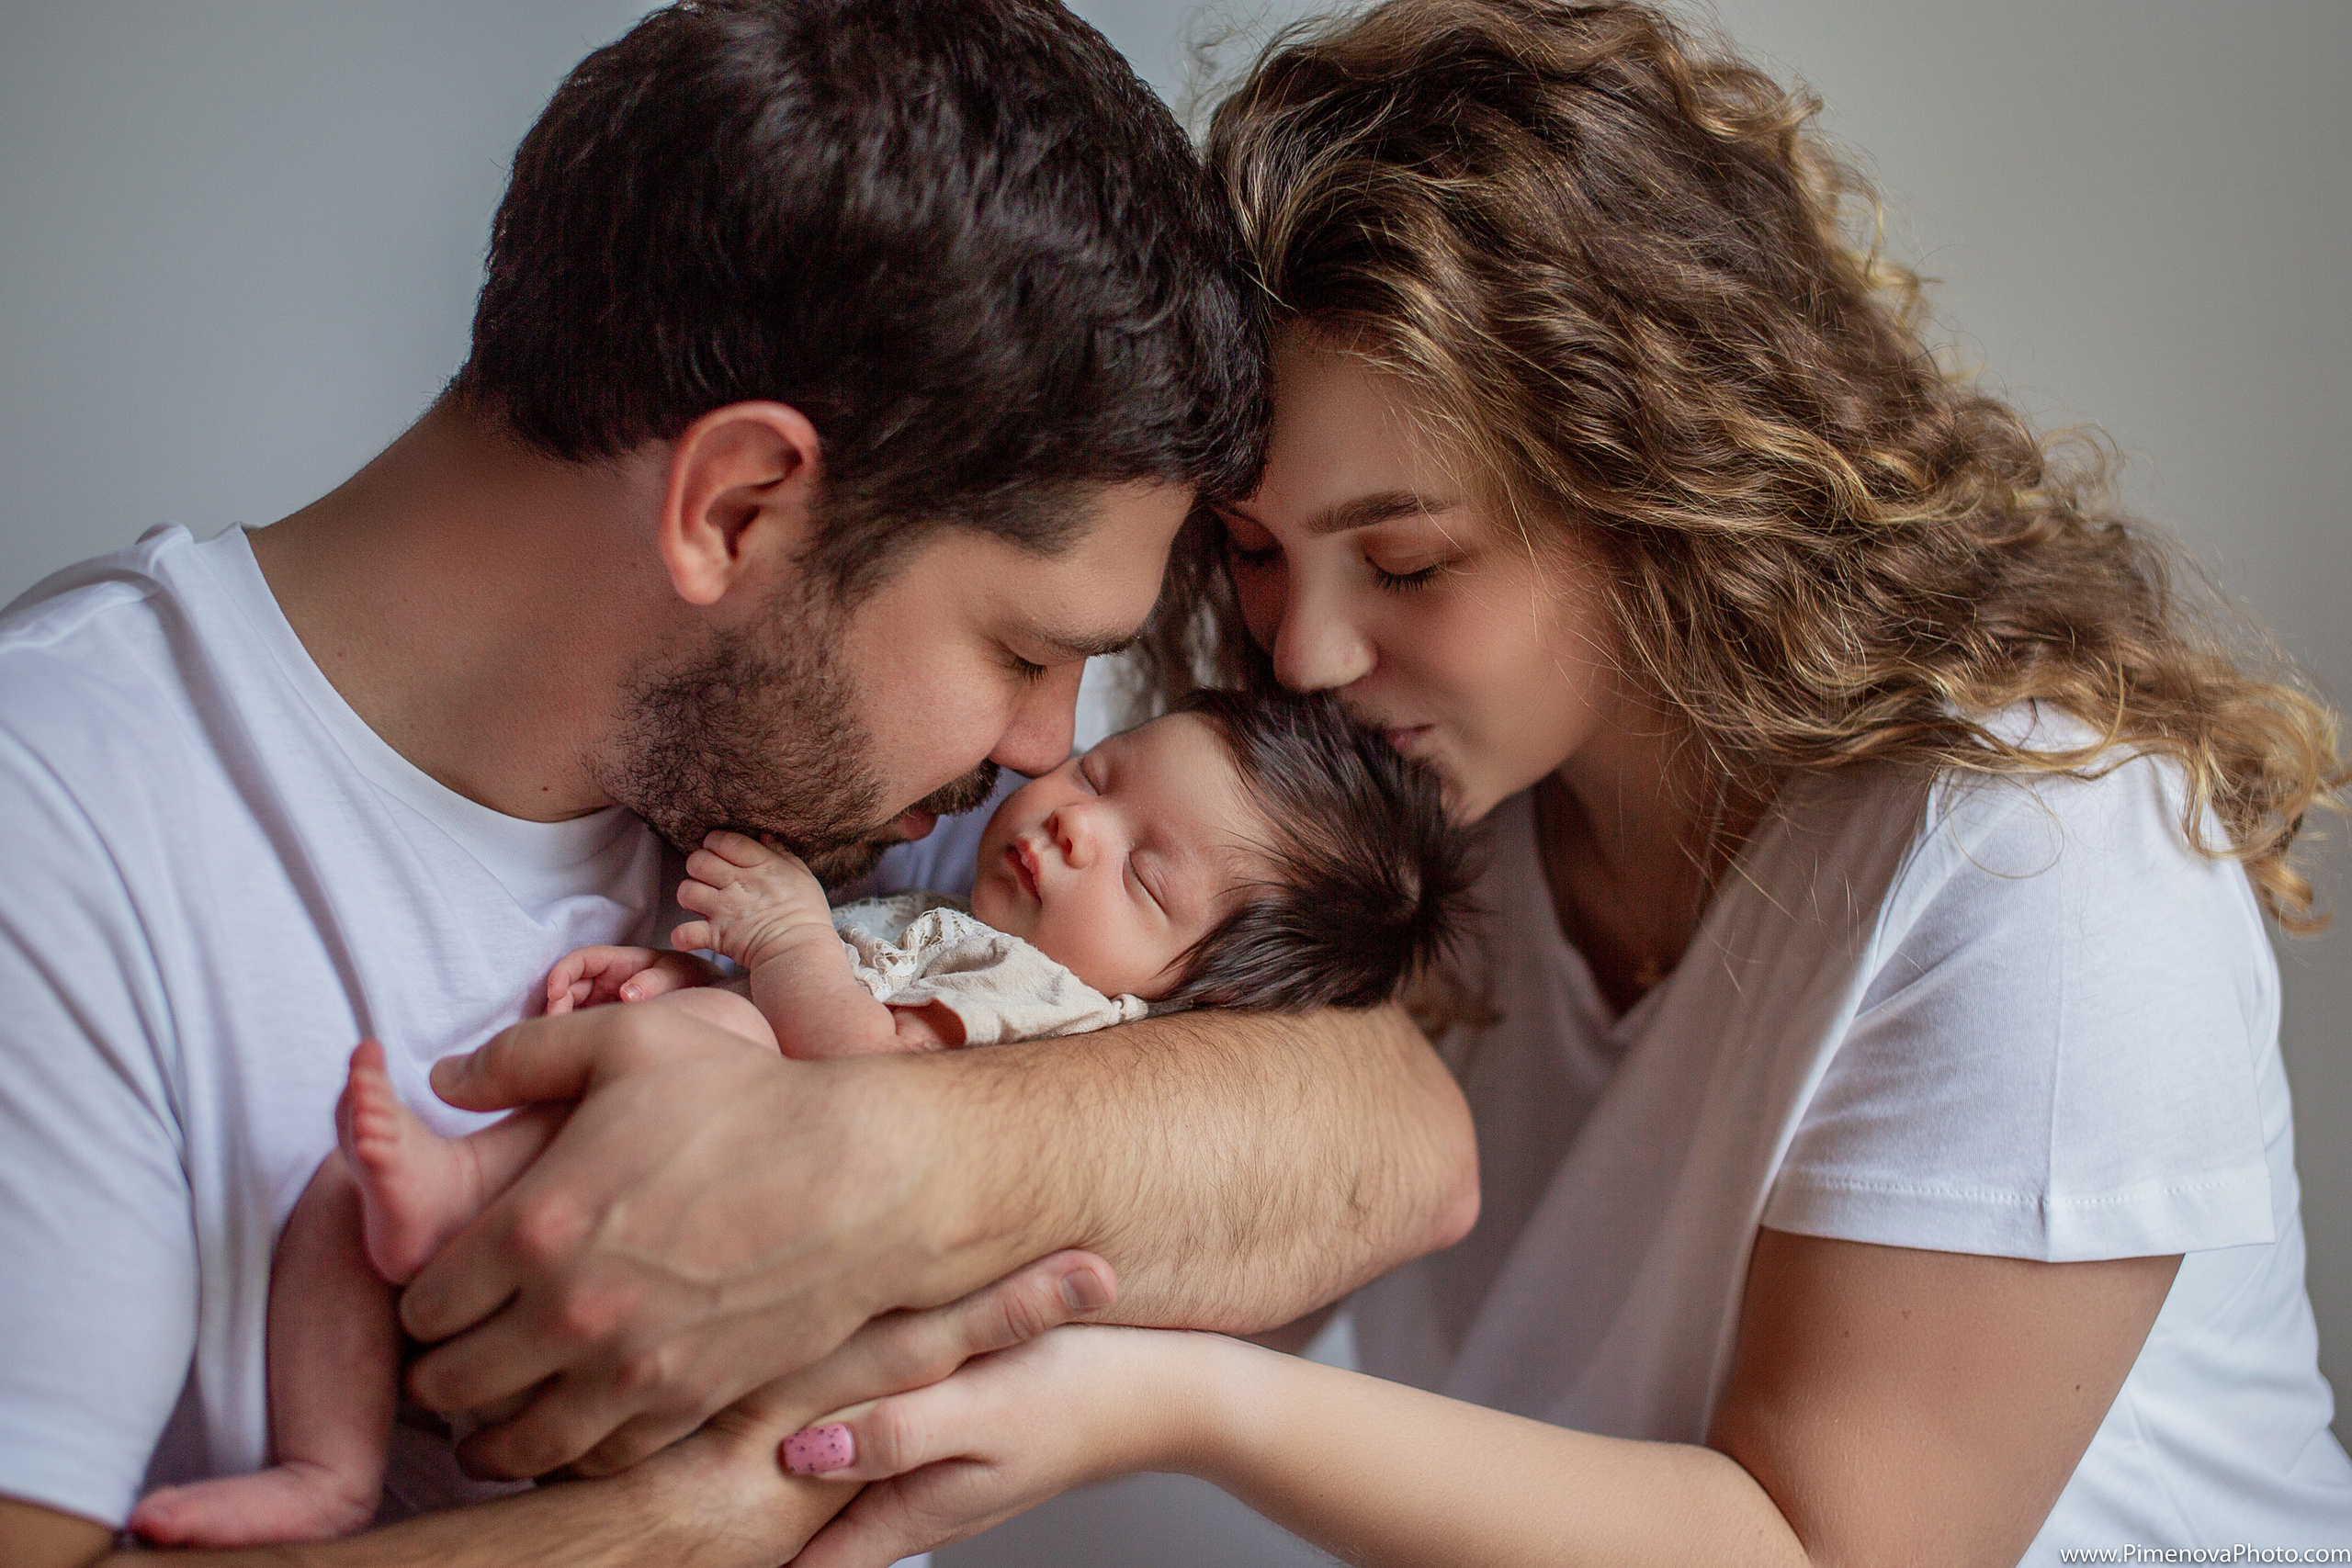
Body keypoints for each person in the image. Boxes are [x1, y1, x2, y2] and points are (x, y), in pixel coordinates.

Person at [754, 3, 2352, 1563]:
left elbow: (1825, 1548)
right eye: (1249, 553)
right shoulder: (1424, 821)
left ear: (1657, 492)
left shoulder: (2042, 854)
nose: (1301, 652)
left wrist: (1166, 1404)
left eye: (1406, 559)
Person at [0, 4, 1480, 1565]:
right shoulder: (63, 837)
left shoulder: (823, 796)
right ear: (741, 504)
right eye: (1024, 650)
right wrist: (713, 1517)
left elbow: (1400, 1136)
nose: (1047, 753)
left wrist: (893, 1167)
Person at [126, 691, 1474, 1548]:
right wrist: (675, 978)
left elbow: (852, 1075)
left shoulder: (1046, 1007)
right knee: (325, 1205)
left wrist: (770, 947)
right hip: (626, 1238)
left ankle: (454, 1181)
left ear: (1195, 995)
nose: (1074, 825)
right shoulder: (944, 914)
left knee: (695, 1050)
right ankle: (325, 1464)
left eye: (1146, 874)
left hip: (710, 1280)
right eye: (1108, 777)